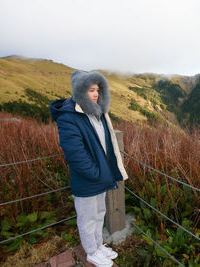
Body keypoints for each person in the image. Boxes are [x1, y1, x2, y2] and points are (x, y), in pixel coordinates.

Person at [49, 70, 129, 267]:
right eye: (91, 90)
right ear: (80, 91)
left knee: (99, 212)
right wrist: (96, 173)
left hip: (100, 177)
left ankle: (97, 245)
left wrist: (103, 173)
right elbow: (75, 154)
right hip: (87, 180)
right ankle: (91, 252)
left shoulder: (96, 112)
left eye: (98, 90)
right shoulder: (69, 117)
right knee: (87, 218)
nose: (96, 94)